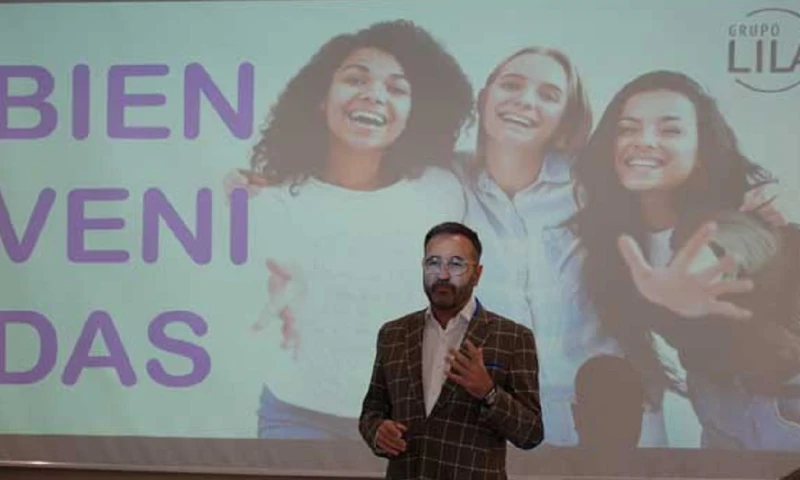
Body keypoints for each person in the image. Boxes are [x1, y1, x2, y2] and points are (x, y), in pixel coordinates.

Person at [236, 20, 474, 439]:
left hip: (406, 416)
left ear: (412, 116)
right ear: (319, 100)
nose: (374, 94)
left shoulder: (441, 190)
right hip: (297, 414)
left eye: (397, 88)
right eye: (355, 79)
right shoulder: (272, 201)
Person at [572, 70, 800, 450]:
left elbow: (738, 244)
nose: (644, 141)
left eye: (670, 130)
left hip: (782, 406)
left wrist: (686, 282)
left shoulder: (742, 214)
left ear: (700, 152)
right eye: (628, 128)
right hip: (716, 409)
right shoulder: (617, 239)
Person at [359, 222, 543, 479]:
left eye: (456, 264)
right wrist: (377, 431)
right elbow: (372, 410)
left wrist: (488, 392)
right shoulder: (394, 334)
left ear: (477, 274)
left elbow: (531, 432)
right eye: (433, 263)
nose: (442, 275)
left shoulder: (513, 337)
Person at [572, 355, 646, 451]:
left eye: (623, 413)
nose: (614, 430)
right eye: (604, 411)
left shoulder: (551, 463)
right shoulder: (665, 464)